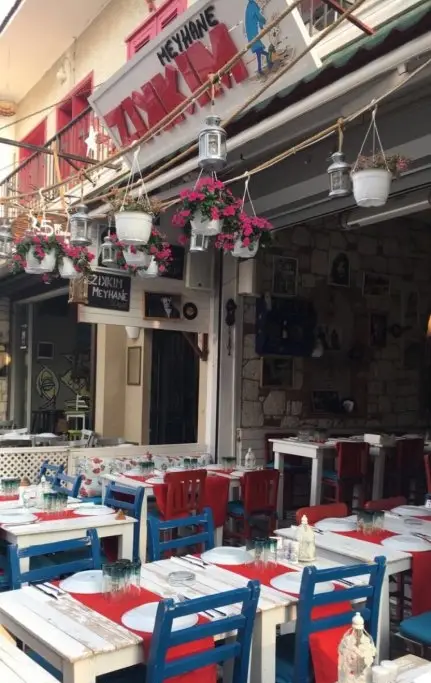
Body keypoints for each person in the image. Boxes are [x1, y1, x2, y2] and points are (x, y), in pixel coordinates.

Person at [245, 0, 272, 74]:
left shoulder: (250, 6)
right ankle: (267, 65)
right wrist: (264, 21)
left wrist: (261, 24)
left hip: (252, 35)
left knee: (259, 53)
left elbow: (257, 18)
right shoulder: (252, 5)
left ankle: (262, 68)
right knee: (260, 52)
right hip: (253, 36)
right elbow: (259, 17)